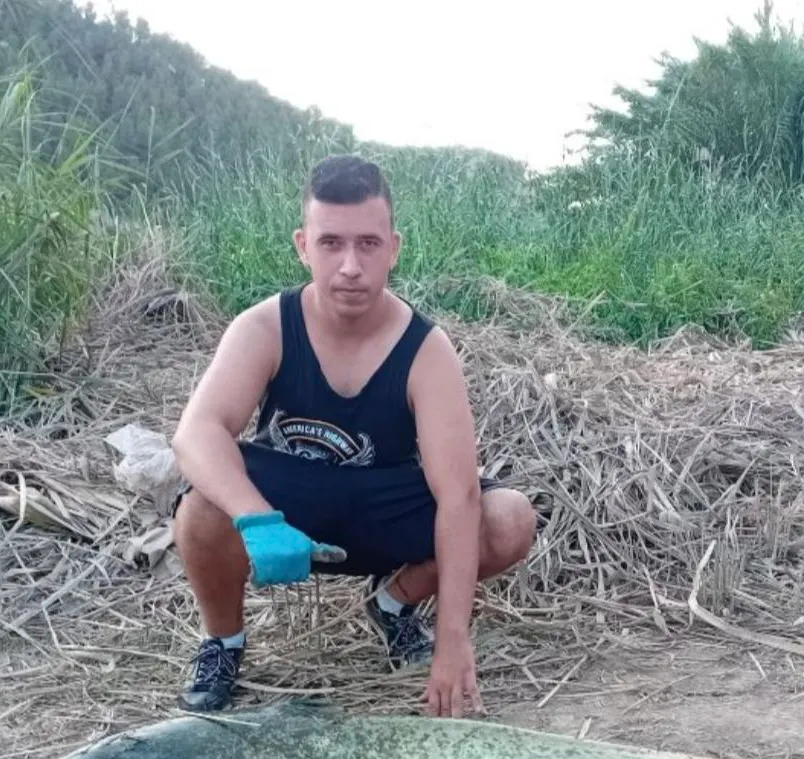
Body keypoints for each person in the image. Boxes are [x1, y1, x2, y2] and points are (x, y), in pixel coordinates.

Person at [170, 154, 537, 719]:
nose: (349, 266)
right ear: (302, 245)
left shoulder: (425, 351)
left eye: (368, 244)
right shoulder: (264, 327)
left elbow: (458, 497)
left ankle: (393, 603)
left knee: (508, 518)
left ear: (394, 247)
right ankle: (224, 642)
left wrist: (453, 636)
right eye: (331, 243)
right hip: (289, 511)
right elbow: (195, 433)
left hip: (383, 509)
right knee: (201, 507)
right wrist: (256, 517)